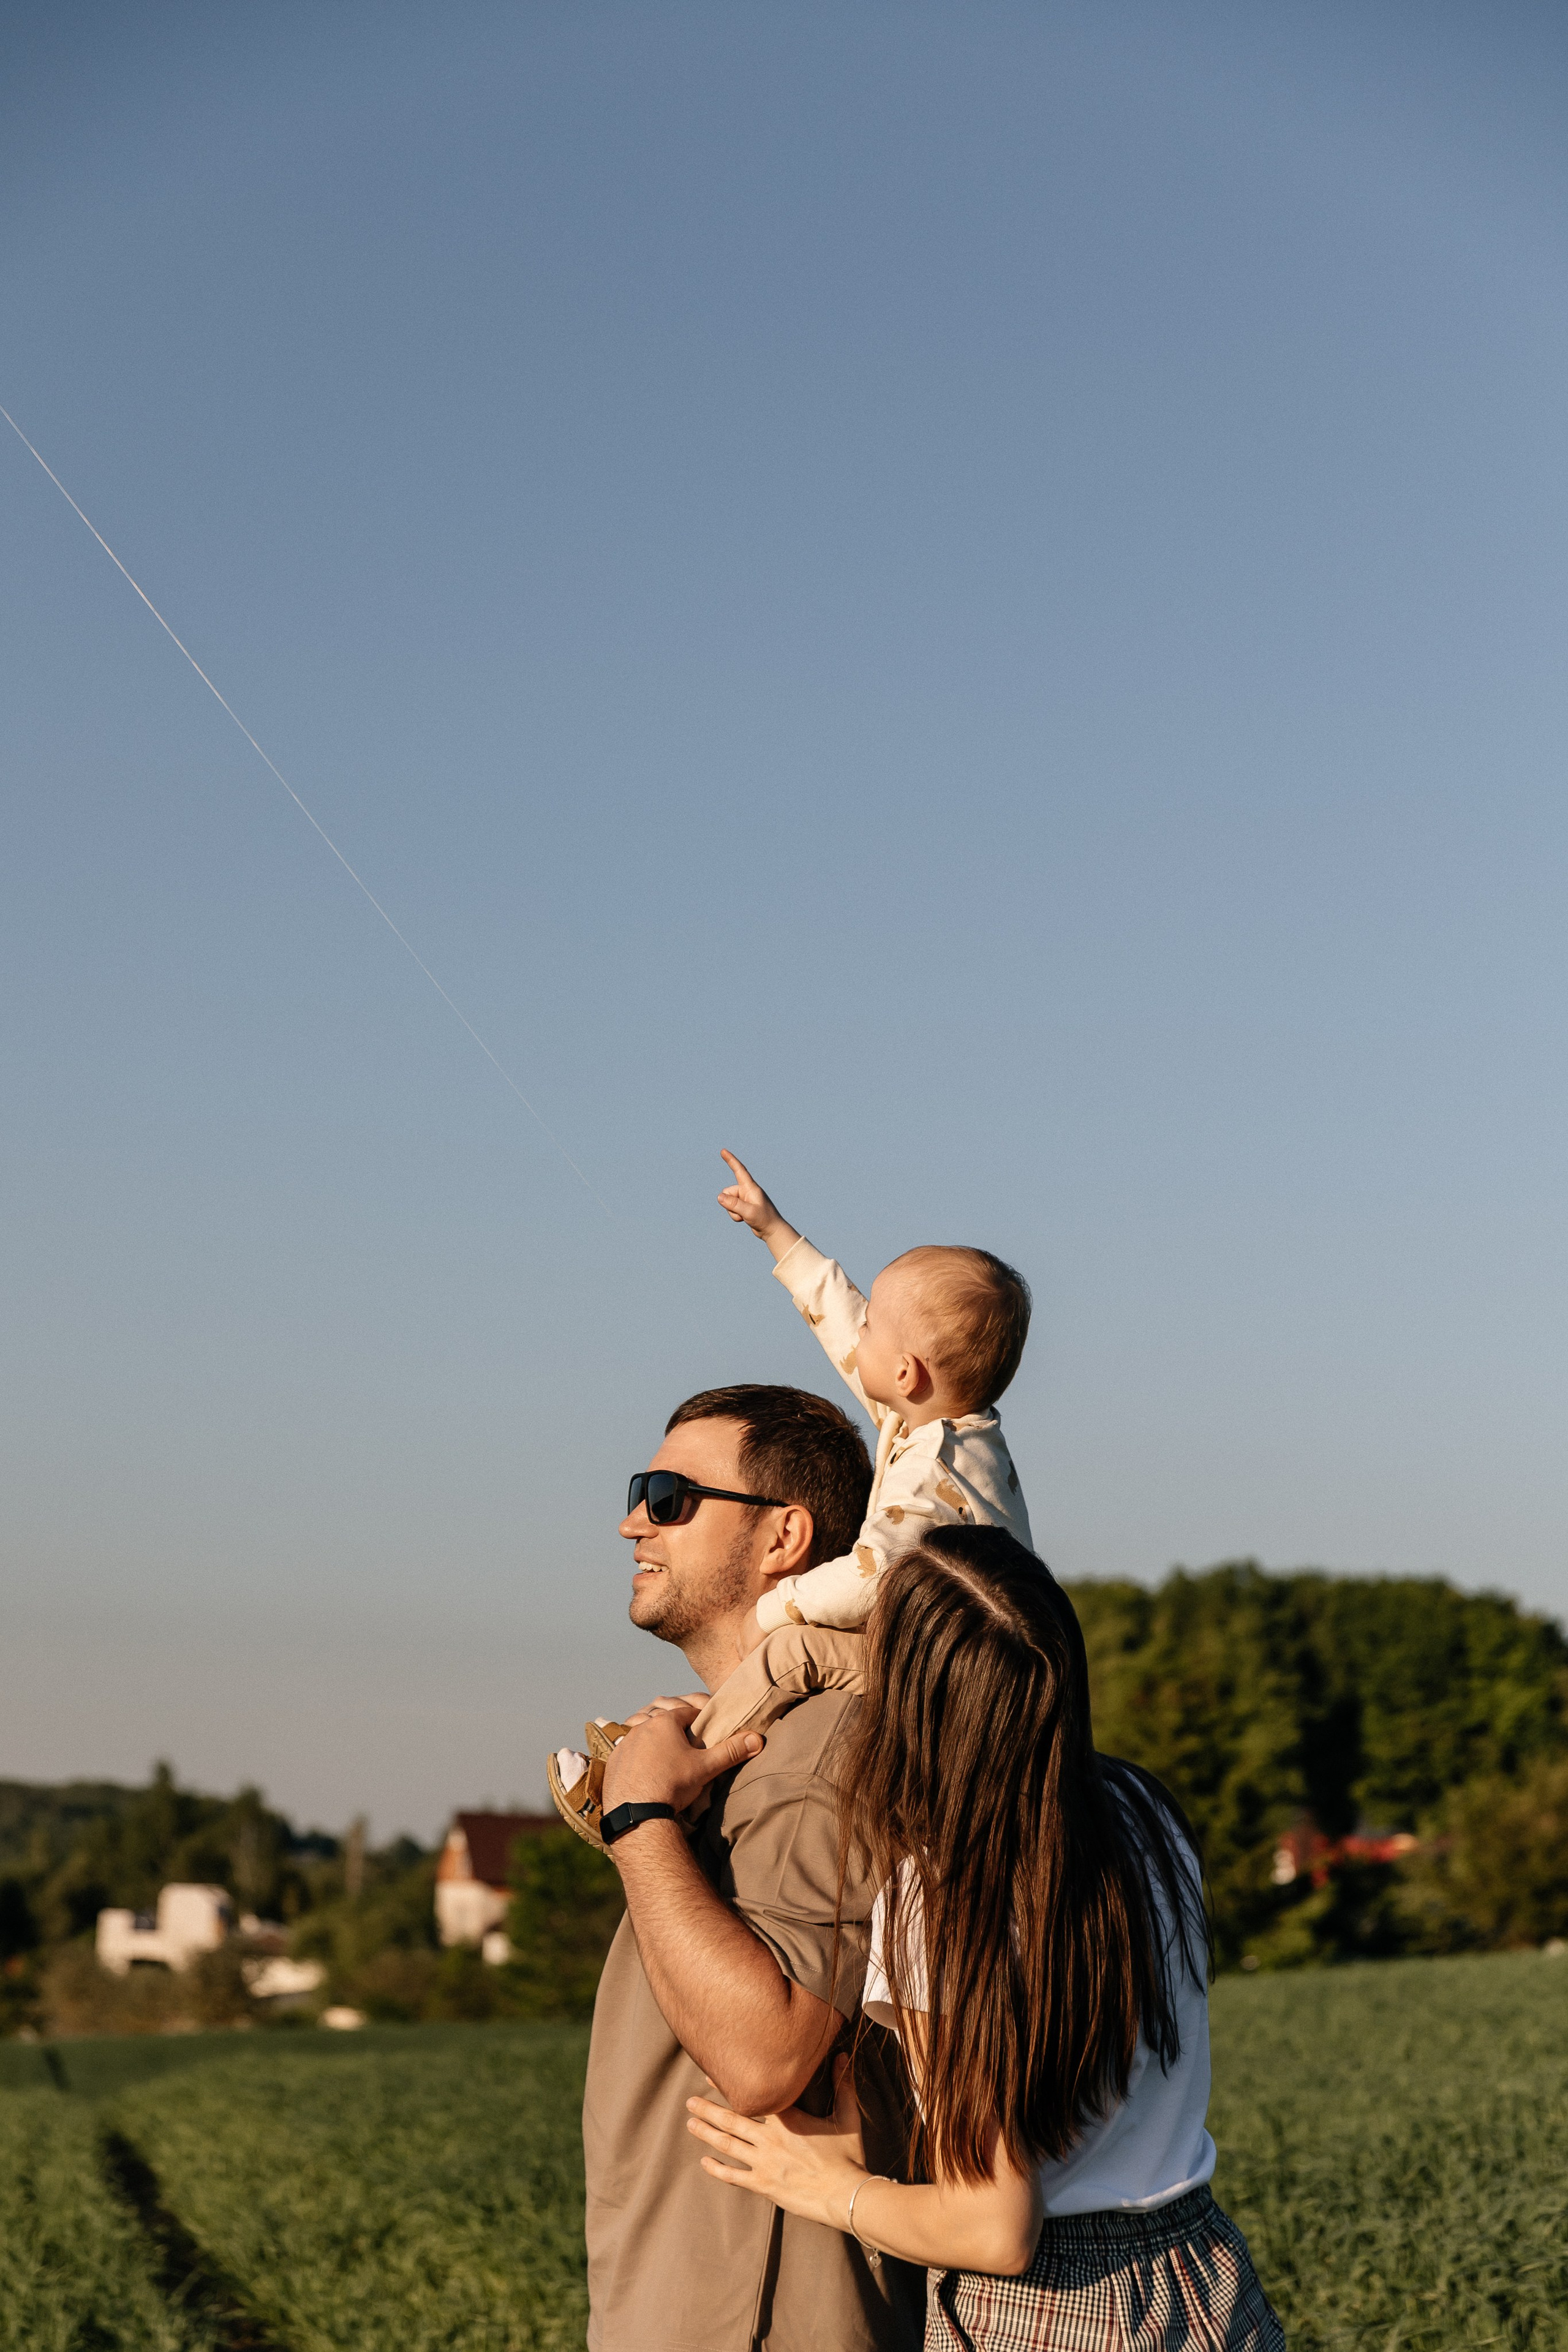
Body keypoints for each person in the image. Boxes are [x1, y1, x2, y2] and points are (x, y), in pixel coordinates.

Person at [684, 1526, 1285, 2352]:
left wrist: (831, 2189)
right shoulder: (1145, 1811)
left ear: (908, 1699)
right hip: (1205, 2274)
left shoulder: (942, 1899)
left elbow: (994, 2230)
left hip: (1050, 2314)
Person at [583, 1382, 927, 2352]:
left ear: (784, 1537)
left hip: (747, 2314)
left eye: (669, 1498)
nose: (632, 1523)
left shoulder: (817, 1750)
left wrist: (640, 1820)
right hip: (703, 2296)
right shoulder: (760, 1744)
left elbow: (765, 2057)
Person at [717, 1152, 1035, 1643]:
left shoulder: (931, 1466)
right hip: (968, 1656)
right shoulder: (939, 1422)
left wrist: (769, 1611)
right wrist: (773, 1230)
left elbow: (868, 1579)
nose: (858, 1331)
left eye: (870, 1326)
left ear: (905, 1374)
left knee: (789, 1648)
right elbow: (838, 1319)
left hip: (957, 1672)